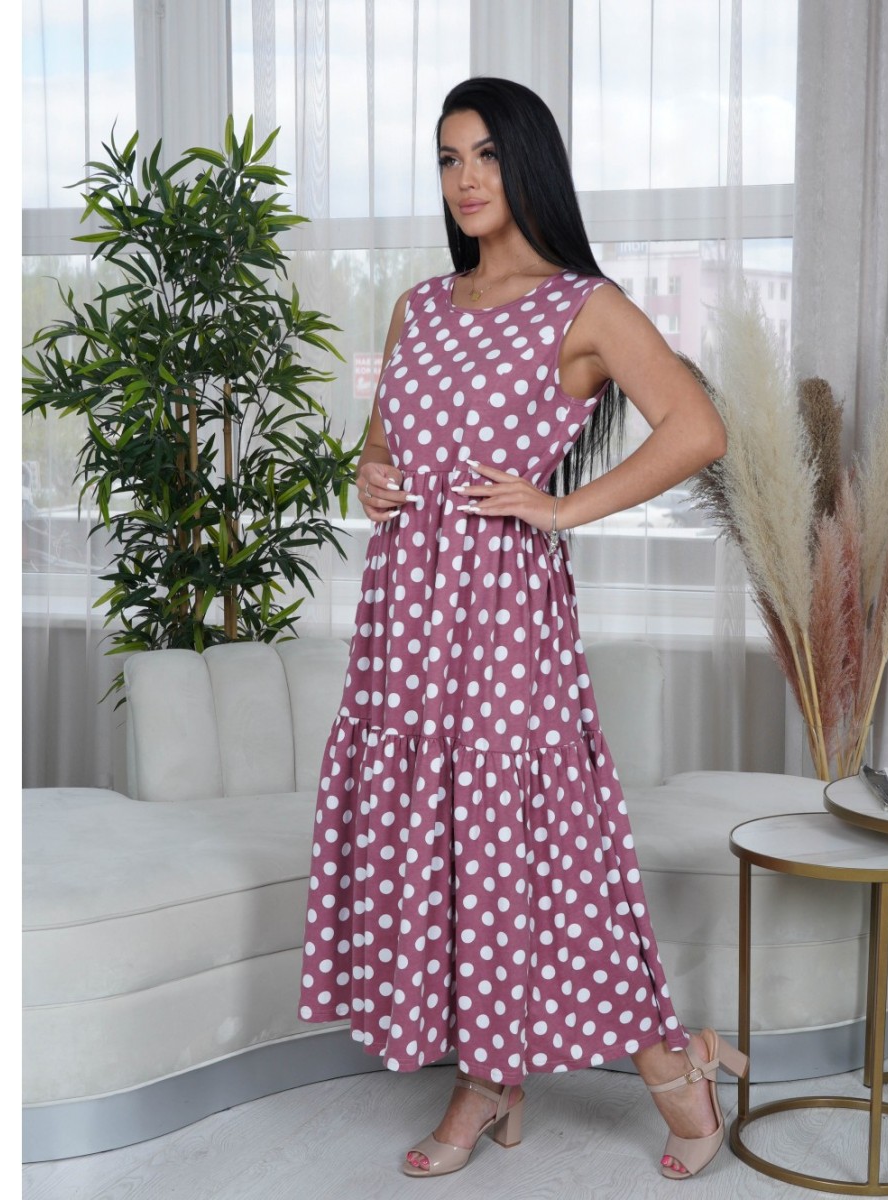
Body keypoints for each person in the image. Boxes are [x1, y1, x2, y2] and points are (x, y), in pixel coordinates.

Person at [299, 76, 743, 1182]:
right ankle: (489, 1077)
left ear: (528, 161)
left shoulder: (583, 306)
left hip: (503, 620)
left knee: (540, 848)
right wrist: (371, 476)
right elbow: (383, 444)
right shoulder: (418, 306)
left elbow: (697, 427)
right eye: (449, 159)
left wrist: (560, 509)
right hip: (405, 616)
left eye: (487, 155)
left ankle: (674, 1073)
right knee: (440, 841)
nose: (466, 180)